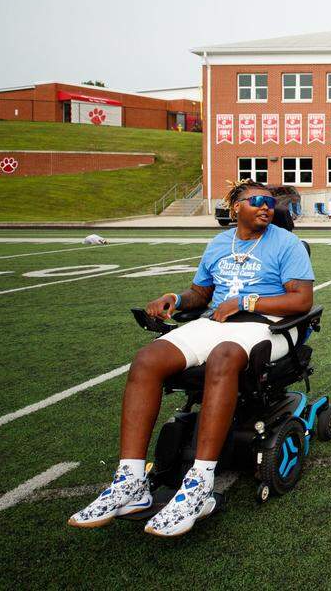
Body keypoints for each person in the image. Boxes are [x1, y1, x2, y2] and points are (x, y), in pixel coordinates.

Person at [68, 180, 315, 536]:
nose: (267, 207)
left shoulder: (287, 244)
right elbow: (201, 292)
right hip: (216, 321)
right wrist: (176, 300)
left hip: (267, 325)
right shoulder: (218, 244)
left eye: (270, 203)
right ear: (235, 207)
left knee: (223, 356)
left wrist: (247, 303)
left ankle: (200, 485)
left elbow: (301, 301)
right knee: (147, 359)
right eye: (257, 201)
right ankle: (132, 481)